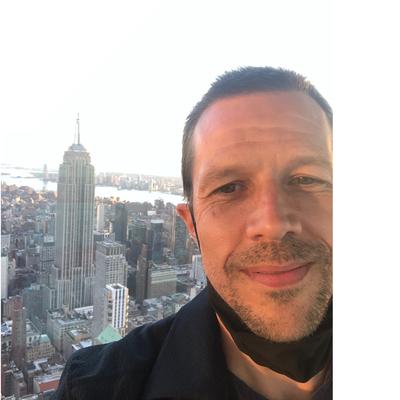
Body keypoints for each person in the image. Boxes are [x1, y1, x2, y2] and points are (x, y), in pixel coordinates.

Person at [53, 66, 332, 400]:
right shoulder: (98, 389)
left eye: (306, 179)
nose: (273, 224)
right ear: (192, 225)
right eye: (229, 187)